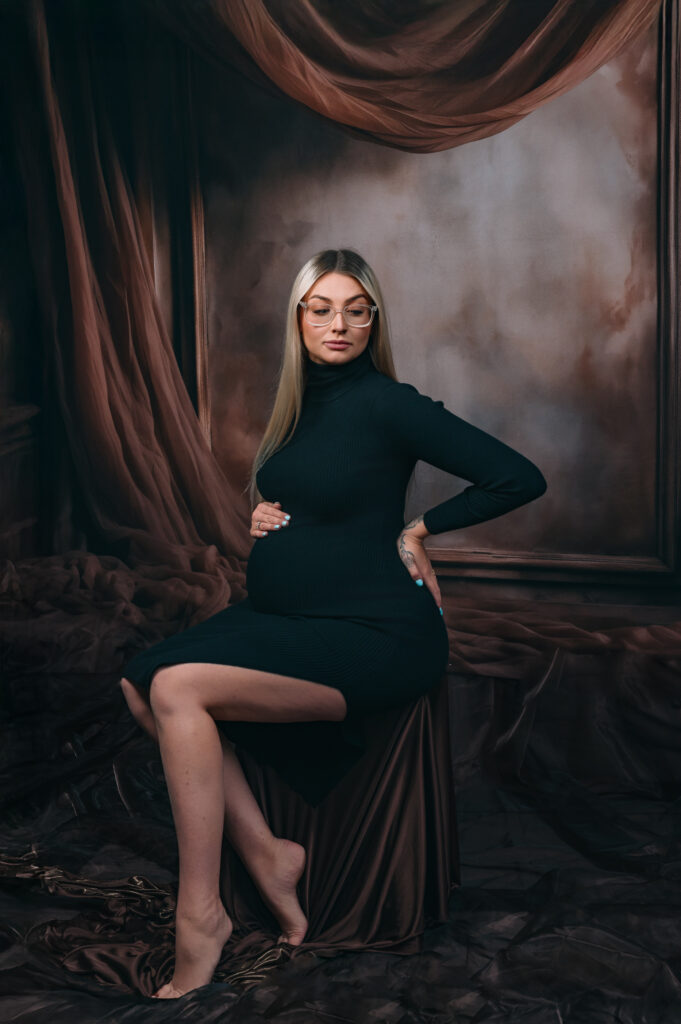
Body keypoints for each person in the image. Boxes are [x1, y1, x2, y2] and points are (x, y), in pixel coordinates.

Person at [119, 247, 547, 999]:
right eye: (321, 308)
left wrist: (420, 529)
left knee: (179, 688)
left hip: (375, 632)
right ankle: (266, 853)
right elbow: (325, 491)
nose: (338, 324)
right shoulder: (300, 401)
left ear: (373, 318)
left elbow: (518, 475)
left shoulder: (388, 400)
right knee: (138, 681)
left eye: (355, 309)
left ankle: (201, 915)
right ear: (299, 318)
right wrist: (264, 509)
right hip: (292, 614)